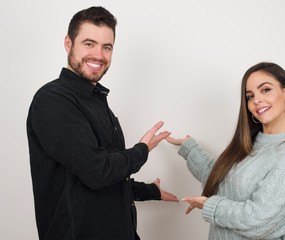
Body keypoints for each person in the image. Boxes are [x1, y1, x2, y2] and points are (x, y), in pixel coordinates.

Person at [26, 6, 178, 240]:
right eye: (89, 43)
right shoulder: (53, 100)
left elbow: (103, 181)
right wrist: (142, 150)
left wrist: (150, 191)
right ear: (69, 44)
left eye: (106, 47)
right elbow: (99, 171)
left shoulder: (97, 102)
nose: (98, 55)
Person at [167, 62, 285, 239]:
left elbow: (257, 220)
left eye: (265, 90)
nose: (256, 100)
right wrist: (189, 148)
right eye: (250, 96)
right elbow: (223, 181)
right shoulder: (251, 142)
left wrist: (211, 206)